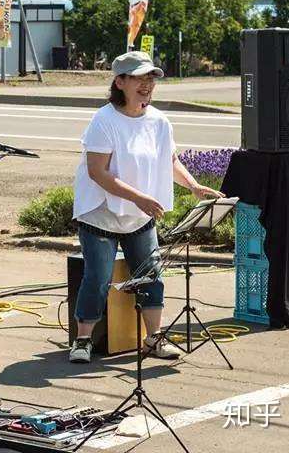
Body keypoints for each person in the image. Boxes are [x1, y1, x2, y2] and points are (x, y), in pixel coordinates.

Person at [69, 50, 223, 364]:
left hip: (140, 215)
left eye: (151, 78)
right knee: (97, 278)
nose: (147, 84)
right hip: (101, 214)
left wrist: (193, 186)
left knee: (152, 274)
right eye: (139, 78)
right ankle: (82, 341)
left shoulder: (159, 121)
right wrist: (138, 196)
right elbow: (97, 172)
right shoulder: (104, 120)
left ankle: (153, 338)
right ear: (120, 82)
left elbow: (170, 161)